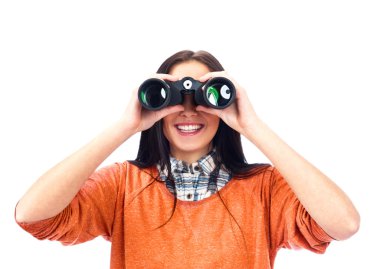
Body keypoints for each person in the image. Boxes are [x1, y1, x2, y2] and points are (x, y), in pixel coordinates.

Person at [15, 50, 360, 268]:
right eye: (175, 97)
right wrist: (126, 125)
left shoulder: (264, 190)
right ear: (156, 104)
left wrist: (251, 125)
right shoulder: (122, 186)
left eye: (202, 97)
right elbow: (32, 215)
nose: (189, 109)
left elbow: (343, 224)